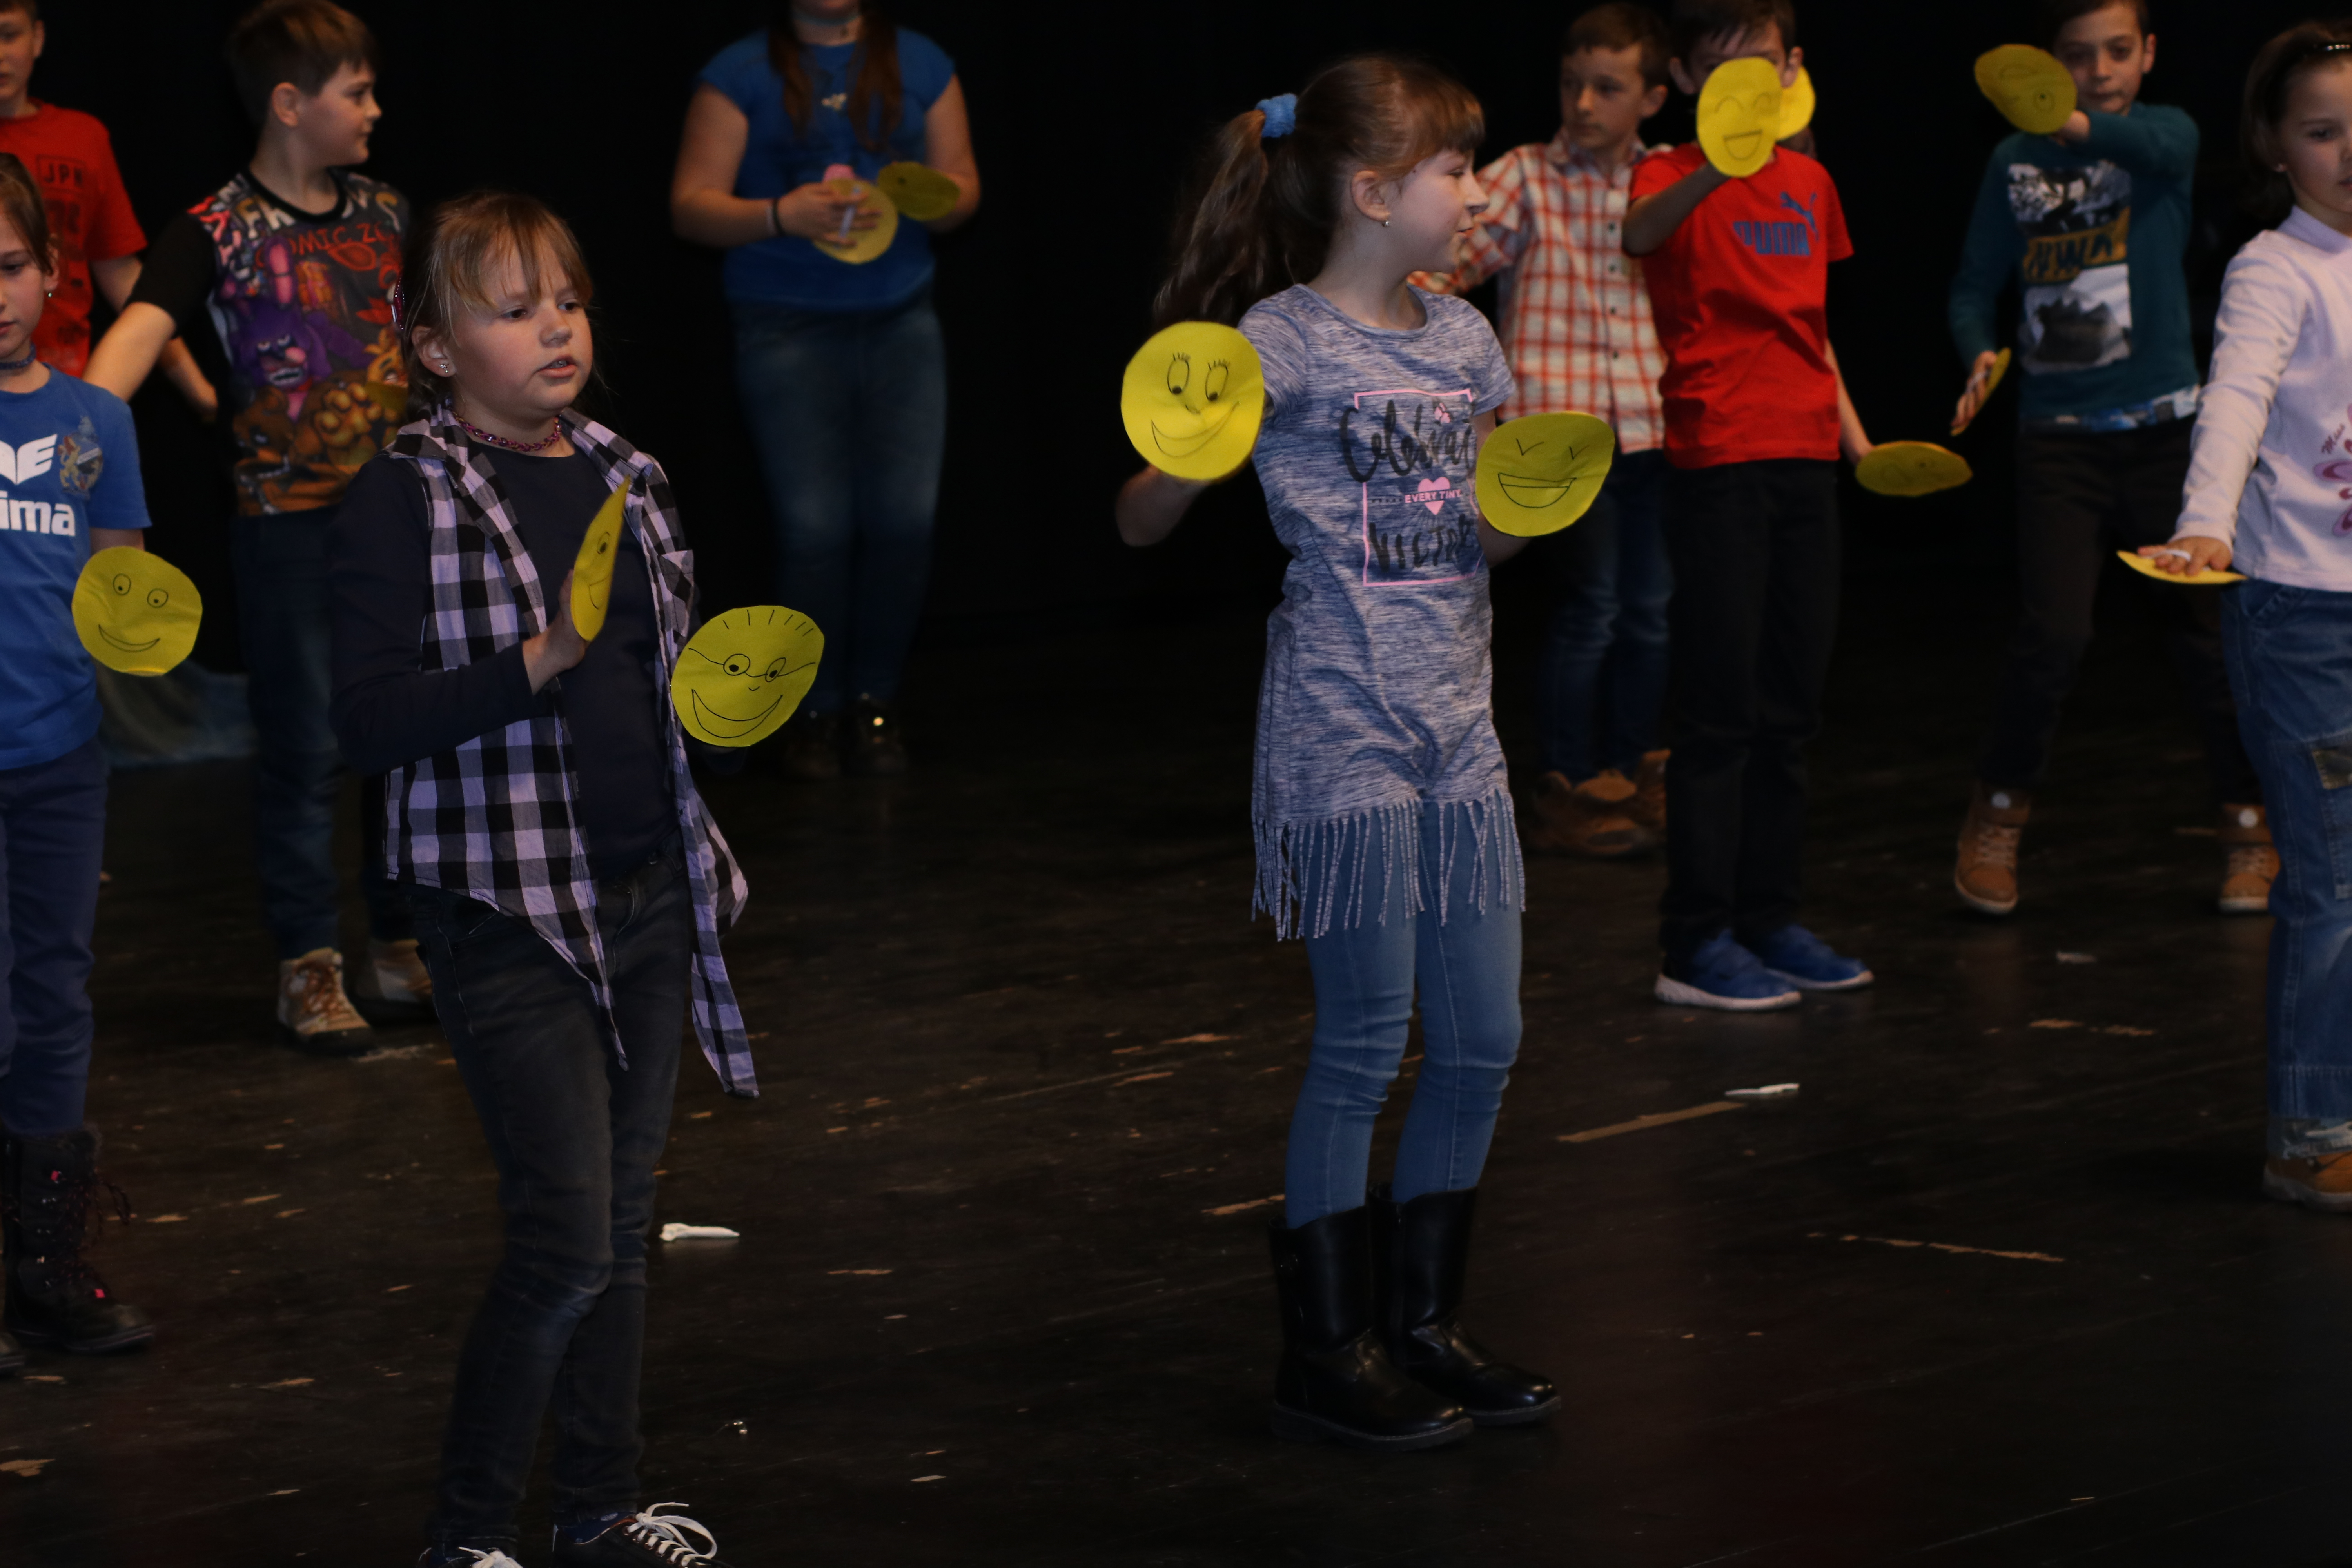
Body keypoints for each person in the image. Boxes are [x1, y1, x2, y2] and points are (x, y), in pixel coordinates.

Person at [1118, 57, 1558, 1453]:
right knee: (1365, 1039)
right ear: (1373, 192)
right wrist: (1178, 463)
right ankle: (1326, 1346)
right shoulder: (1282, 341)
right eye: (1455, 170)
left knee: (1482, 1038)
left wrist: (1531, 502)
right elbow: (1137, 519)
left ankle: (1422, 1322)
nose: (1475, 193)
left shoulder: (1466, 339)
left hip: (1458, 731)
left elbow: (1478, 539)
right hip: (1342, 727)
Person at [327, 191, 754, 1567]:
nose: (556, 328)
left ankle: (597, 1508)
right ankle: (464, 1536)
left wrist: (721, 701)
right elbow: (366, 723)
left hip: (644, 894)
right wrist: (534, 662)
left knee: (619, 1228)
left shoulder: (630, 473)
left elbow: (648, 683)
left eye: (565, 301)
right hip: (506, 910)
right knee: (565, 1240)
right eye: (514, 311)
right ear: (434, 349)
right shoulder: (405, 496)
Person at [85, 0, 419, 1056]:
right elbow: (142, 326)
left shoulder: (387, 213)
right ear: (289, 103)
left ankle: (400, 941)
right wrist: (73, 427)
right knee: (308, 751)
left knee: (402, 740)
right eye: (356, 91)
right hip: (288, 532)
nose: (374, 108)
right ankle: (309, 966)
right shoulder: (216, 229)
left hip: (394, 524)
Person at [1948, 0, 2271, 919]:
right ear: (2047, 60)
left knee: (2207, 641)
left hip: (2168, 437)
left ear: (2149, 54)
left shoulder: (2164, 136)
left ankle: (2250, 823)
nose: (2099, 71)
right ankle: (1997, 814)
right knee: (2054, 636)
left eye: (2118, 52)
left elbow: (2159, 150)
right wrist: (1978, 351)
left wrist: (2066, 117)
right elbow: (1973, 287)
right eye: (2077, 56)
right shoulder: (2014, 163)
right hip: (2059, 443)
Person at [1622, 0, 1875, 1011]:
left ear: (1792, 70)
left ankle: (1770, 919)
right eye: (1721, 70)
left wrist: (1861, 444)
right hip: (1720, 455)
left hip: (1806, 456)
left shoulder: (1811, 181)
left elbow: (1814, 329)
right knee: (1721, 711)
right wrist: (1716, 168)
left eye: (1761, 66)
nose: (1745, 85)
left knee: (1791, 708)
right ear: (1687, 78)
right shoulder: (1667, 174)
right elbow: (1637, 234)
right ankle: (1694, 940)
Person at [2145, 22, 2352, 1210]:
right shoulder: (2276, 270)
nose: (2348, 153)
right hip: (2302, 619)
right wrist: (2203, 523)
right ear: (2276, 147)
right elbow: (2234, 400)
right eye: (2322, 131)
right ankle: (2309, 1131)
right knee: (2332, 882)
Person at [671, 0, 978, 780]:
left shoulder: (922, 61)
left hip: (902, 323)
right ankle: (812, 708)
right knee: (815, 533)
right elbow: (692, 207)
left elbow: (964, 192)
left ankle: (875, 700)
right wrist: (782, 213)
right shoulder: (738, 73)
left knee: (904, 524)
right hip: (785, 330)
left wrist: (923, 194)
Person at [1416, 1, 1675, 859]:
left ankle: (1632, 769)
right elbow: (1443, 262)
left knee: (1652, 610)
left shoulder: (1667, 177)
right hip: (1560, 437)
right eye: (1572, 85)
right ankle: (1567, 778)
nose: (1585, 104)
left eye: (1608, 87)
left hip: (1650, 426)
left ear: (1653, 98)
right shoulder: (1527, 176)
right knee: (1595, 605)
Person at [0, 151, 154, 1368]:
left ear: (52, 271)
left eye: (8, 266)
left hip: (60, 757)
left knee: (53, 995)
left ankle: (45, 1265)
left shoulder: (96, 422)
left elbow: (121, 585)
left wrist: (144, 629)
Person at [0, 0, 209, 400]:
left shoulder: (84, 138)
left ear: (38, 38)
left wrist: (198, 390)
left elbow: (123, 274)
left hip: (68, 383)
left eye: (9, 35)